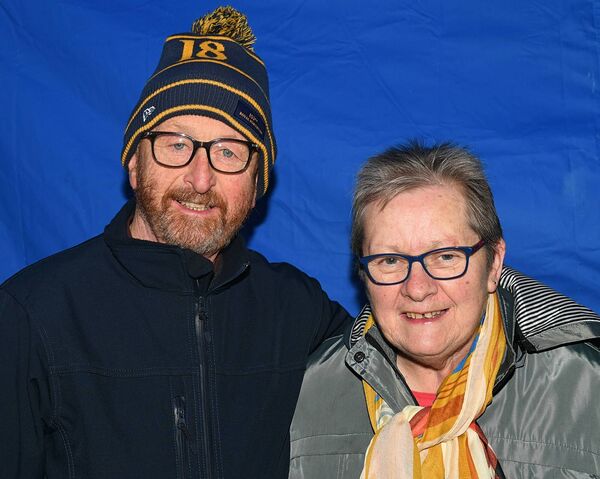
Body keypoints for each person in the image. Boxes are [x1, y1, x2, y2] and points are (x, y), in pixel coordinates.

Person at [0, 7, 351, 478]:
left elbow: (411, 365)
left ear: (258, 182)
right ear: (133, 162)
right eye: (175, 143)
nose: (200, 178)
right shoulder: (32, 313)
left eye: (229, 151)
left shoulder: (299, 310)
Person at [290, 142, 600, 478]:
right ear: (363, 274)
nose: (418, 288)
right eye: (390, 260)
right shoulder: (303, 396)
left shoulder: (585, 387)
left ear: (494, 263)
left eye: (446, 256)